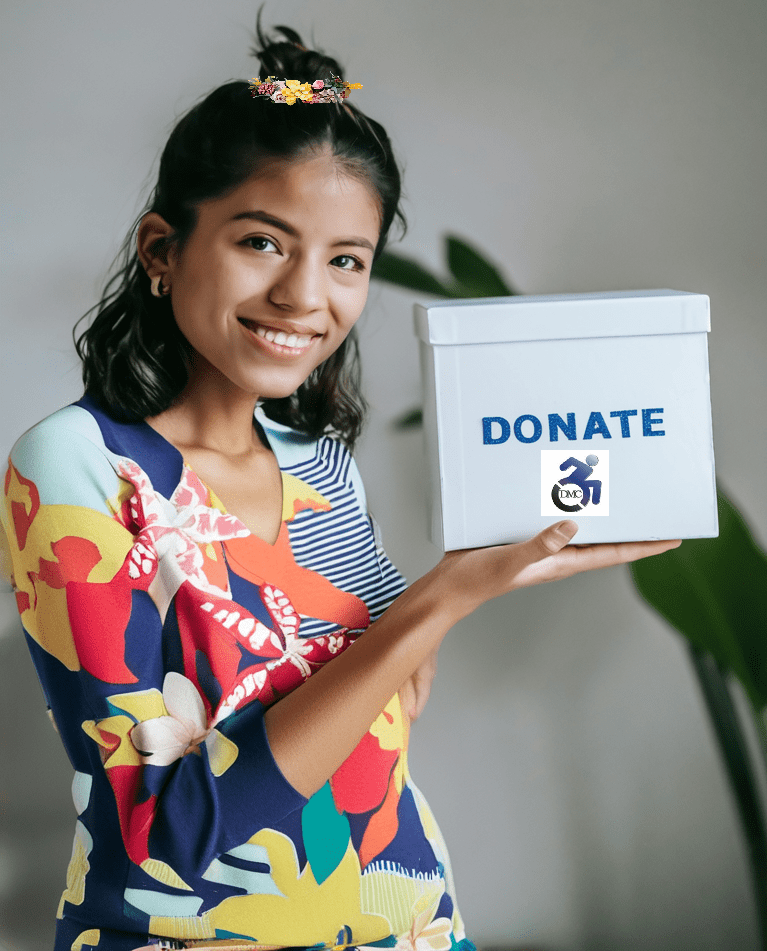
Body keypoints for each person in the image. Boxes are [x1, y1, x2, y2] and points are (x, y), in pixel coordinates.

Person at [0, 23, 680, 951]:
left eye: (345, 260)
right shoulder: (72, 467)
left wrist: (443, 604)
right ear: (162, 248)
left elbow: (372, 729)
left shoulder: (321, 464)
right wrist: (439, 599)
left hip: (406, 924)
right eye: (261, 242)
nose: (303, 297)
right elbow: (167, 840)